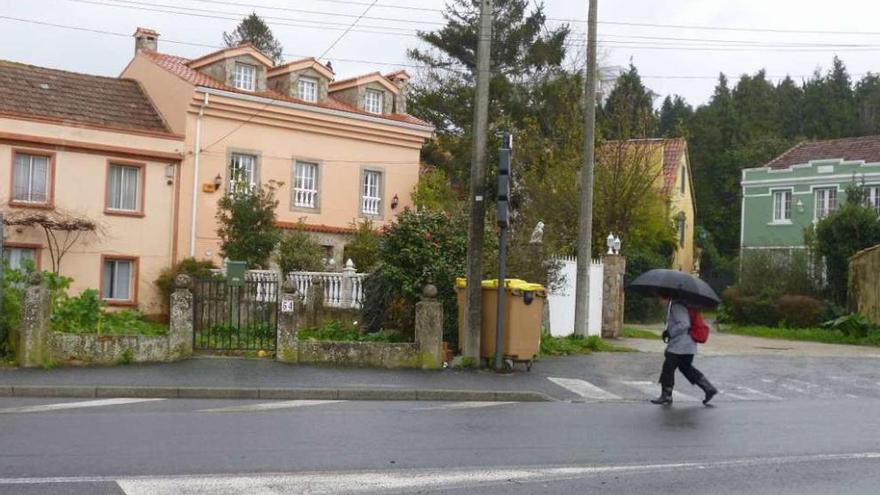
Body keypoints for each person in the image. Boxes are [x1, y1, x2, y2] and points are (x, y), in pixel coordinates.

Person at [651, 292, 718, 406]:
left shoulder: (676, 307)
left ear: (666, 298)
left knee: (668, 368)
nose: (659, 302)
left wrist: (670, 333)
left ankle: (666, 395)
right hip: (688, 345)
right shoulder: (677, 307)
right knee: (686, 368)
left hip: (681, 345)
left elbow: (684, 324)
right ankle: (708, 388)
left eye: (660, 299)